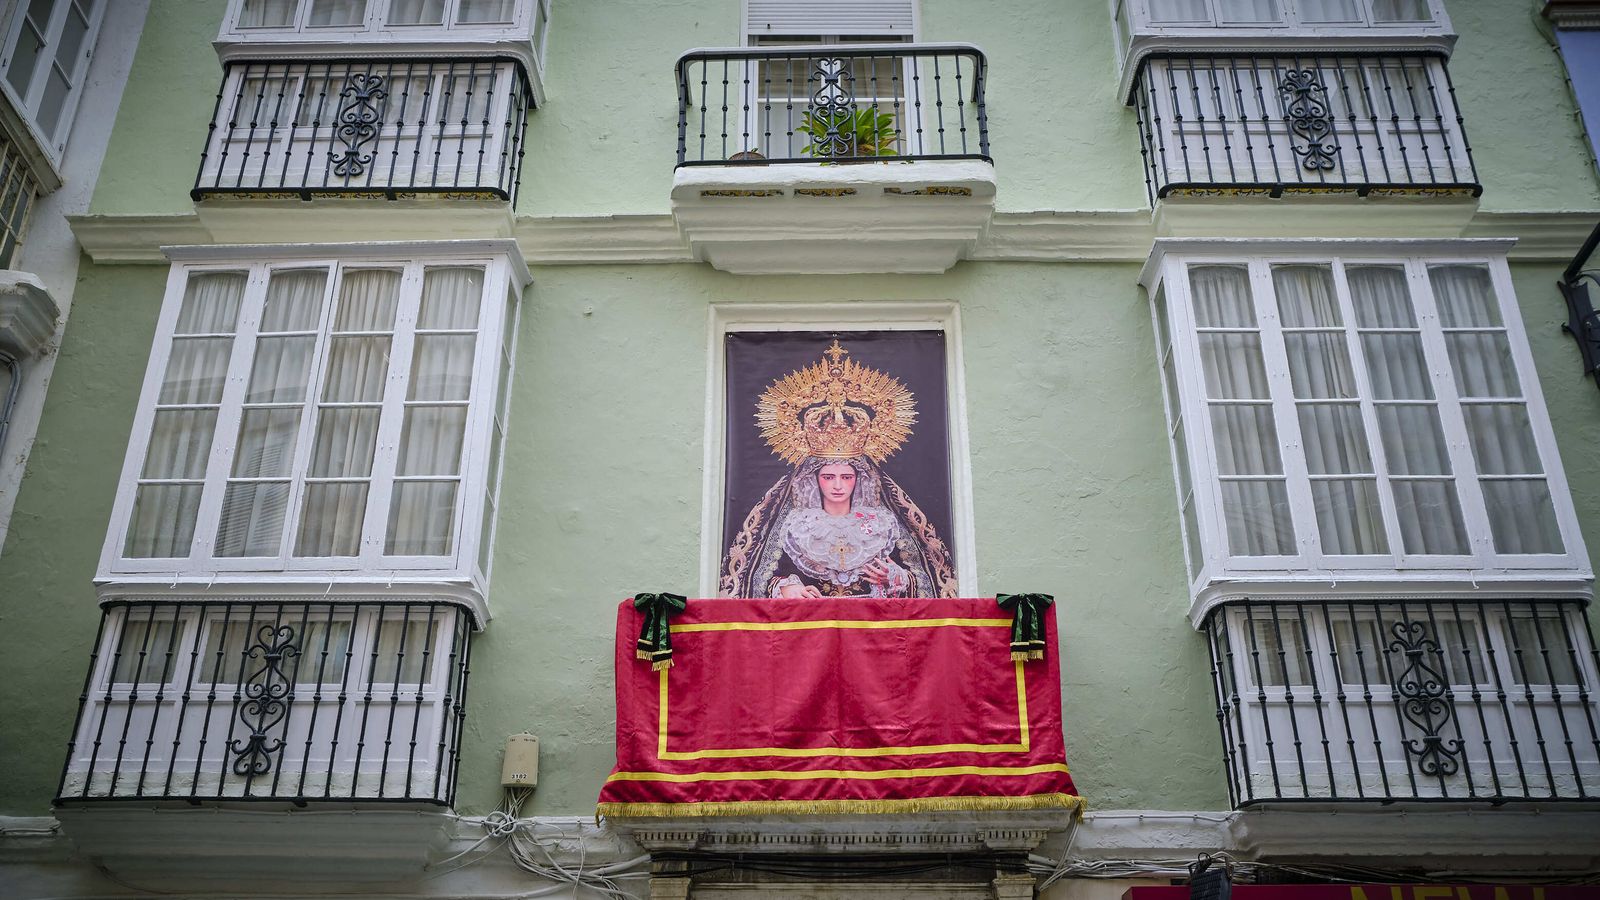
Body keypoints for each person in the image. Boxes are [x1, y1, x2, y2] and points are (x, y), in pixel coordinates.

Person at [719, 340, 956, 599]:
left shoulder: (882, 526)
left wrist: (897, 578)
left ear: (860, 479)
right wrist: (786, 588)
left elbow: (925, 579)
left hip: (873, 628)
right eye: (828, 476)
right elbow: (759, 575)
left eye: (847, 476)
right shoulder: (796, 526)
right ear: (814, 480)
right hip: (810, 629)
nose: (838, 485)